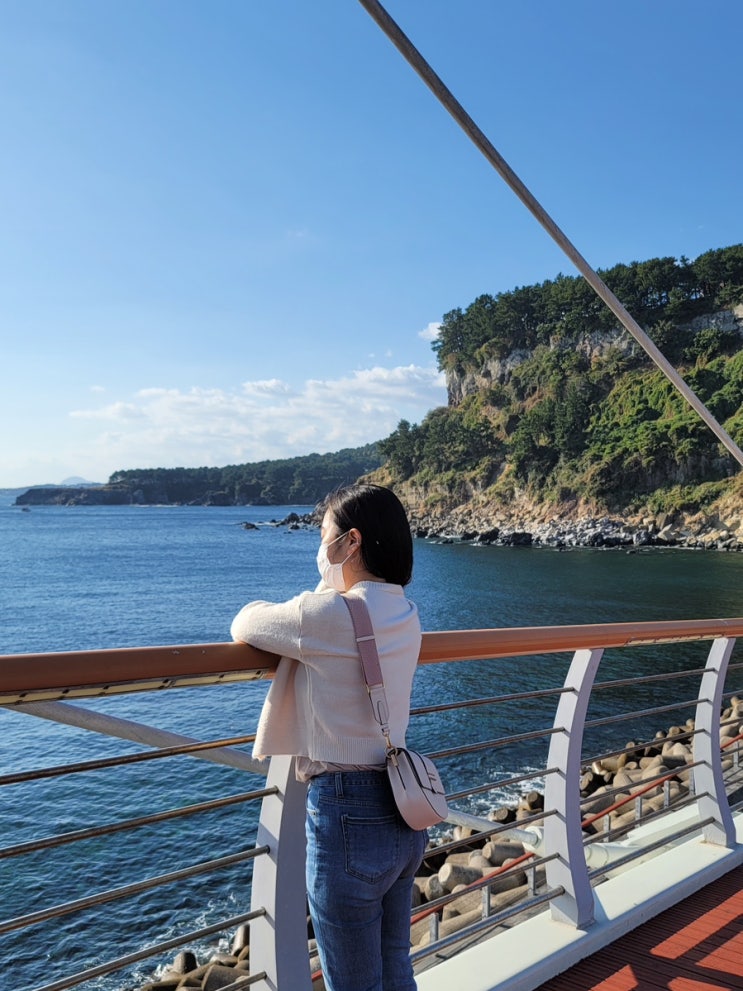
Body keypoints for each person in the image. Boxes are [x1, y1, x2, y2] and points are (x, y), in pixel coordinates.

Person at [230, 483, 426, 991]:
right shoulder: (406, 612)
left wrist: (326, 586)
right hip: (404, 806)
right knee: (396, 970)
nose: (320, 548)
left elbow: (246, 621)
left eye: (324, 537)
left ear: (351, 542)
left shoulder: (325, 616)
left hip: (345, 812)